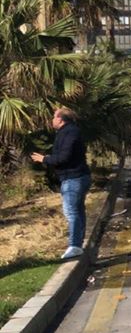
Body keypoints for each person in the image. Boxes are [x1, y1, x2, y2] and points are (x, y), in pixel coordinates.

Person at [30, 108, 92, 259]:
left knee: (71, 211)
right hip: (73, 177)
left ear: (60, 119)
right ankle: (78, 242)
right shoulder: (66, 132)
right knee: (77, 210)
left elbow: (64, 157)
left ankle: (74, 245)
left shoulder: (70, 132)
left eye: (54, 117)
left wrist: (45, 159)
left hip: (74, 178)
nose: (52, 120)